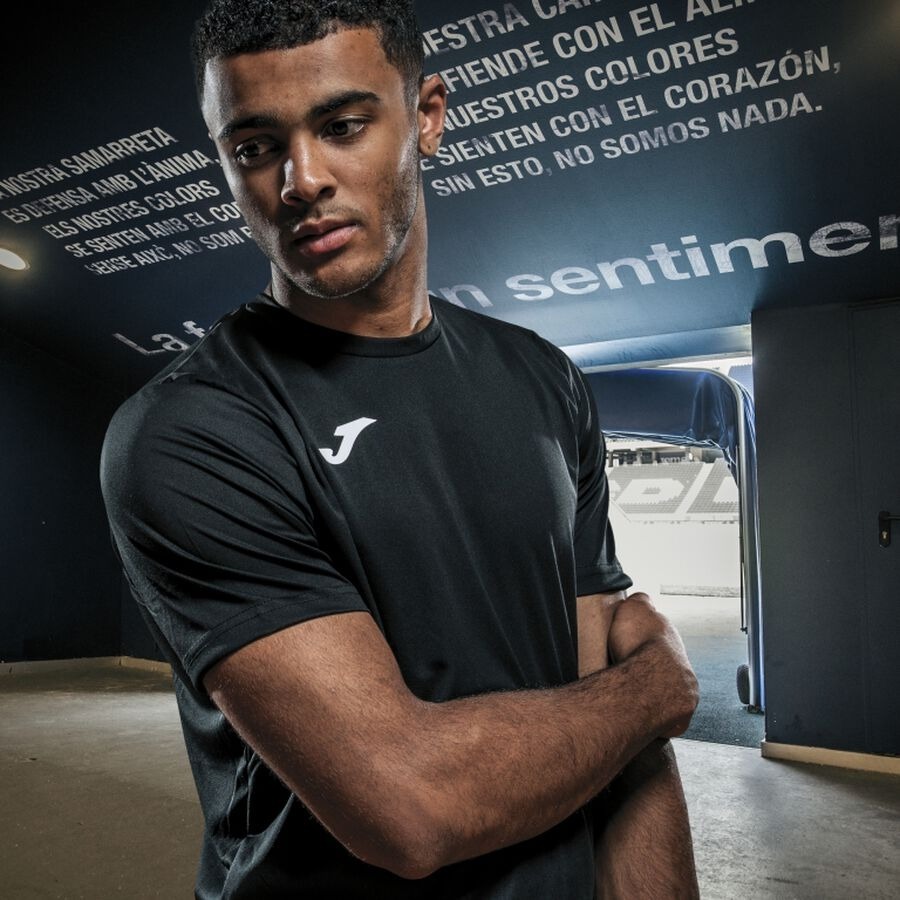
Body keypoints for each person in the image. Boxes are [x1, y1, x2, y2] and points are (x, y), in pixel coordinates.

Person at [100, 1, 701, 896]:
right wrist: (659, 689)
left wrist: (636, 703)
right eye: (255, 146)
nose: (302, 179)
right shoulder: (190, 432)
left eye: (342, 126)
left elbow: (613, 724)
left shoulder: (543, 376)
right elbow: (410, 808)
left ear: (426, 115)